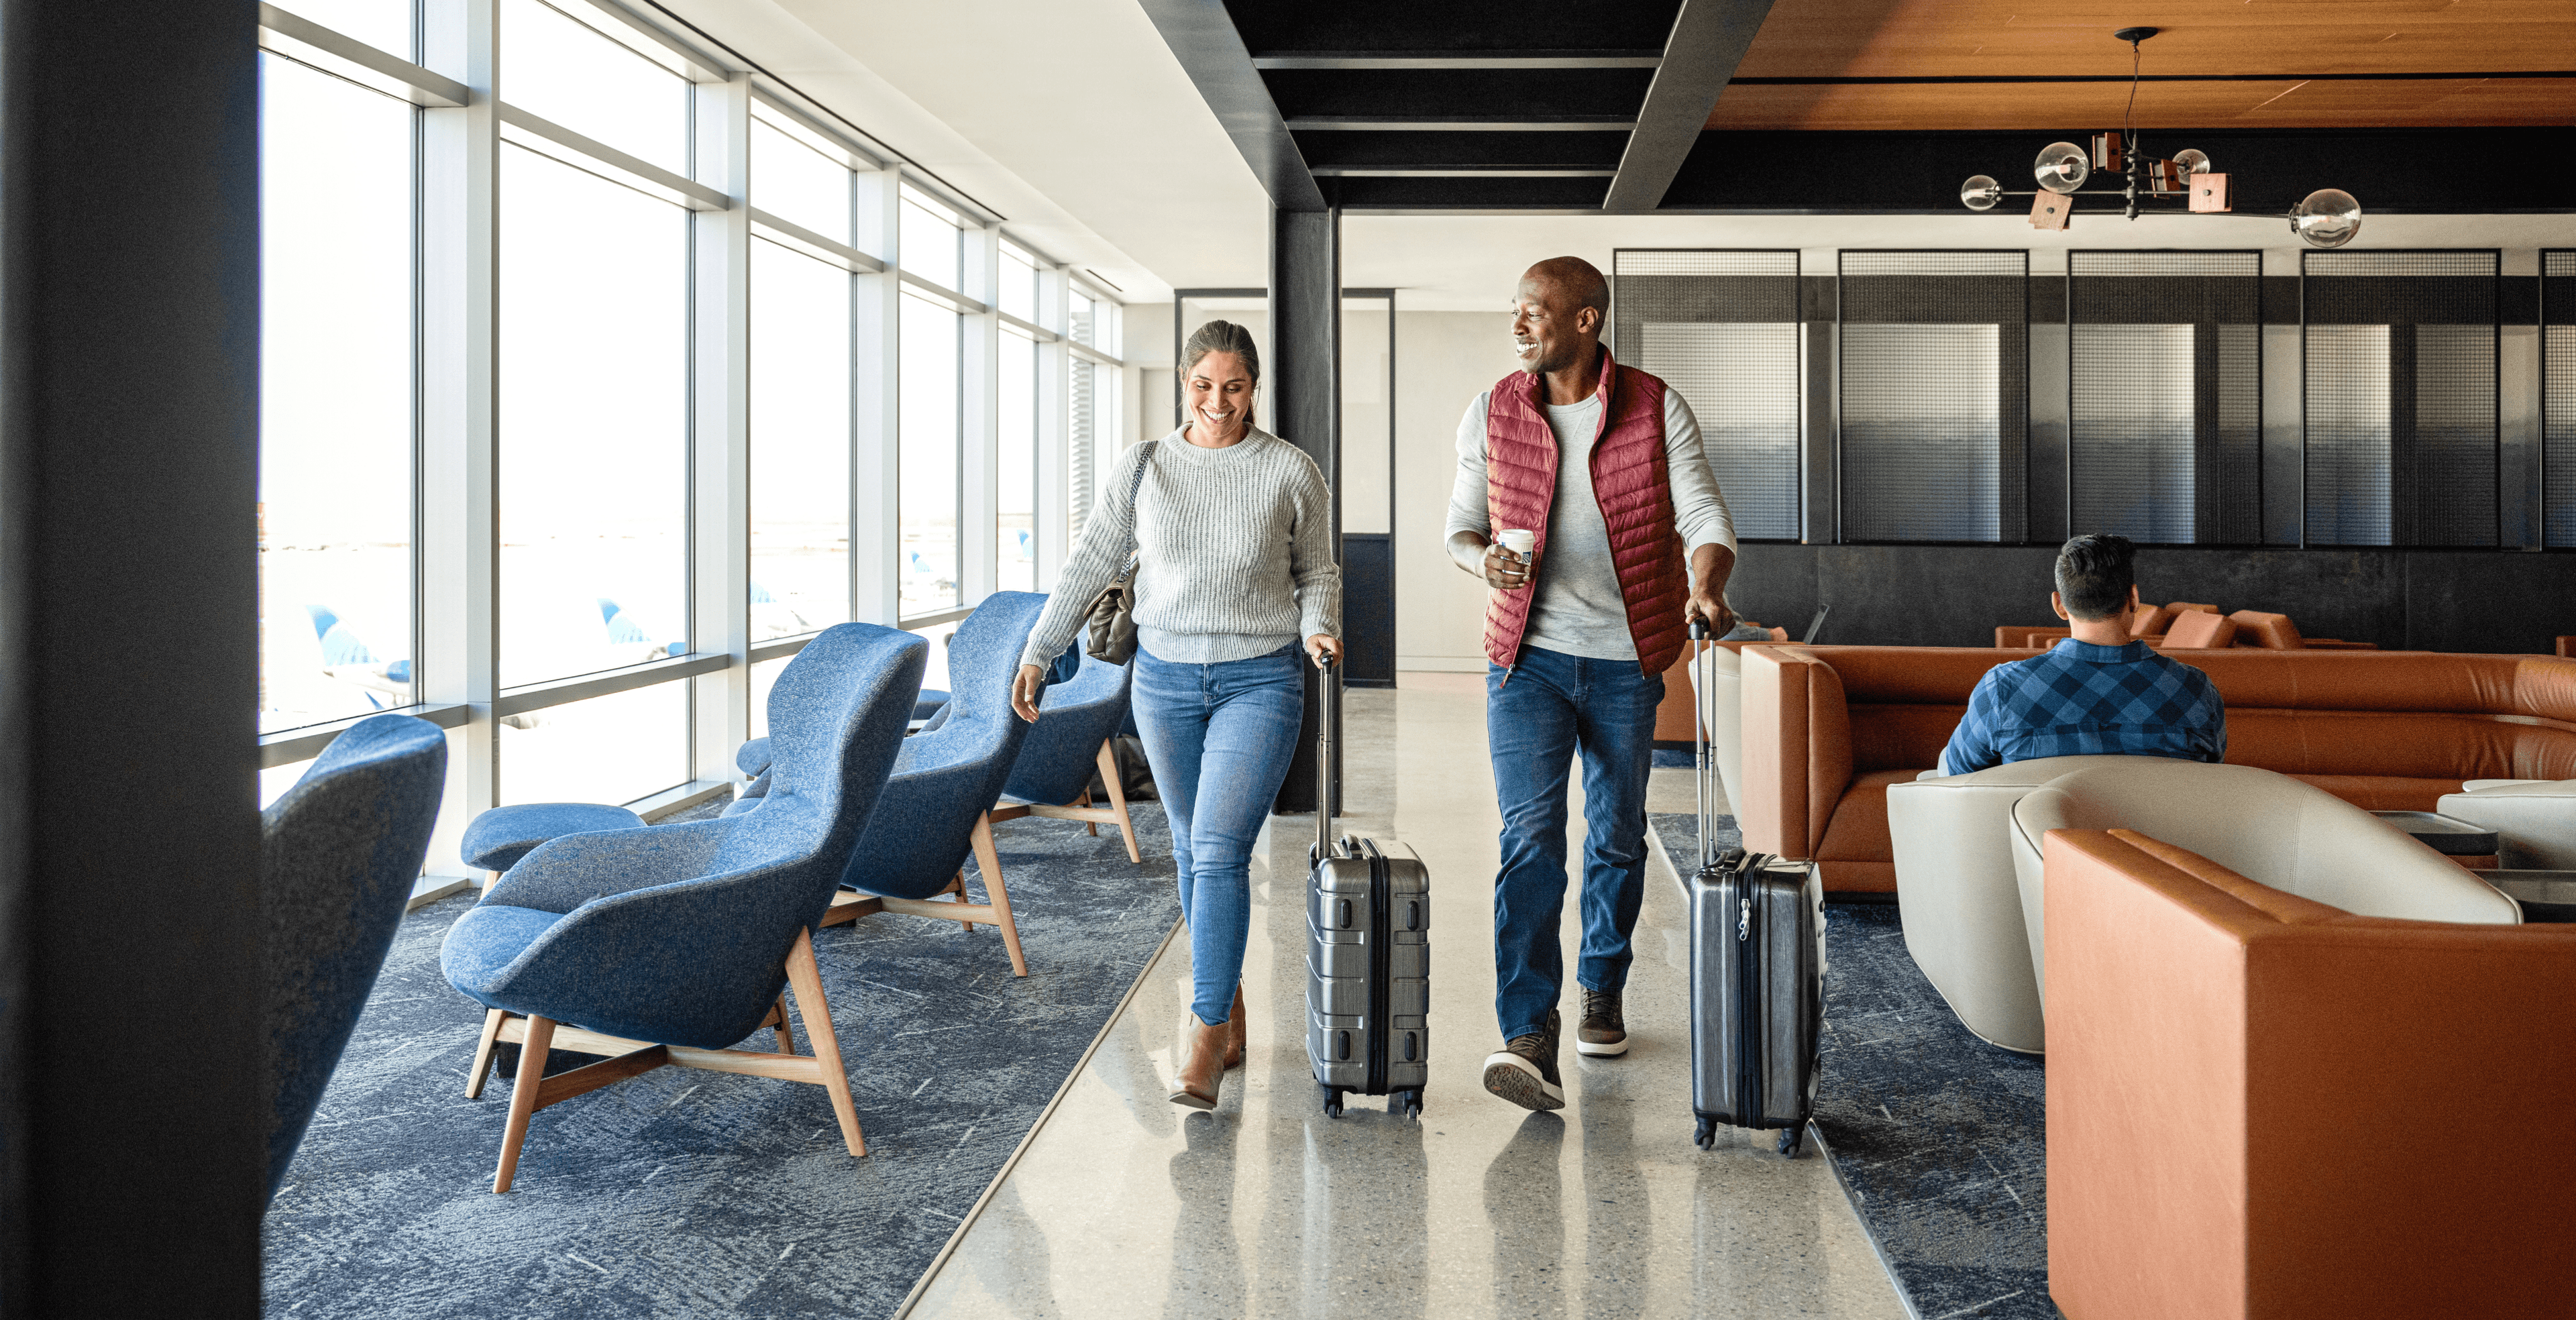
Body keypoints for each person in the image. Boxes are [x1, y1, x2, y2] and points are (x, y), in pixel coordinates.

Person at [1012, 320, 1342, 1113]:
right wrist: (1038, 648)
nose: (1218, 403)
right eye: (1203, 385)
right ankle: (1226, 1010)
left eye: (1233, 387)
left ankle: (1199, 1031)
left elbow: (1317, 569)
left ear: (1254, 388)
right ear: (1183, 384)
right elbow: (1093, 557)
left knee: (1221, 849)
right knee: (1193, 849)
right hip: (1161, 681)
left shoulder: (1291, 470)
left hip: (1259, 681)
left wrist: (1318, 625)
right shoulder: (1145, 465)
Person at [1444, 256, 1738, 1113]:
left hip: (1625, 657)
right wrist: (1482, 561)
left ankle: (1601, 987)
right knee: (1530, 836)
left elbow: (1705, 516)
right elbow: (1460, 531)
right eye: (1515, 311)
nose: (1519, 324)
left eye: (1535, 310)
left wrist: (1707, 585)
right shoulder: (1493, 411)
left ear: (1587, 320)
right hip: (1525, 657)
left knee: (1616, 832)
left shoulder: (1654, 406)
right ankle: (1527, 1031)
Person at [1937, 533, 2226, 776]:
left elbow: (1954, 773)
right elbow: (2211, 777)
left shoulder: (2002, 689)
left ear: (2059, 605)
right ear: (2134, 598)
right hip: (2161, 841)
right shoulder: (2196, 689)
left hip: (2039, 842)